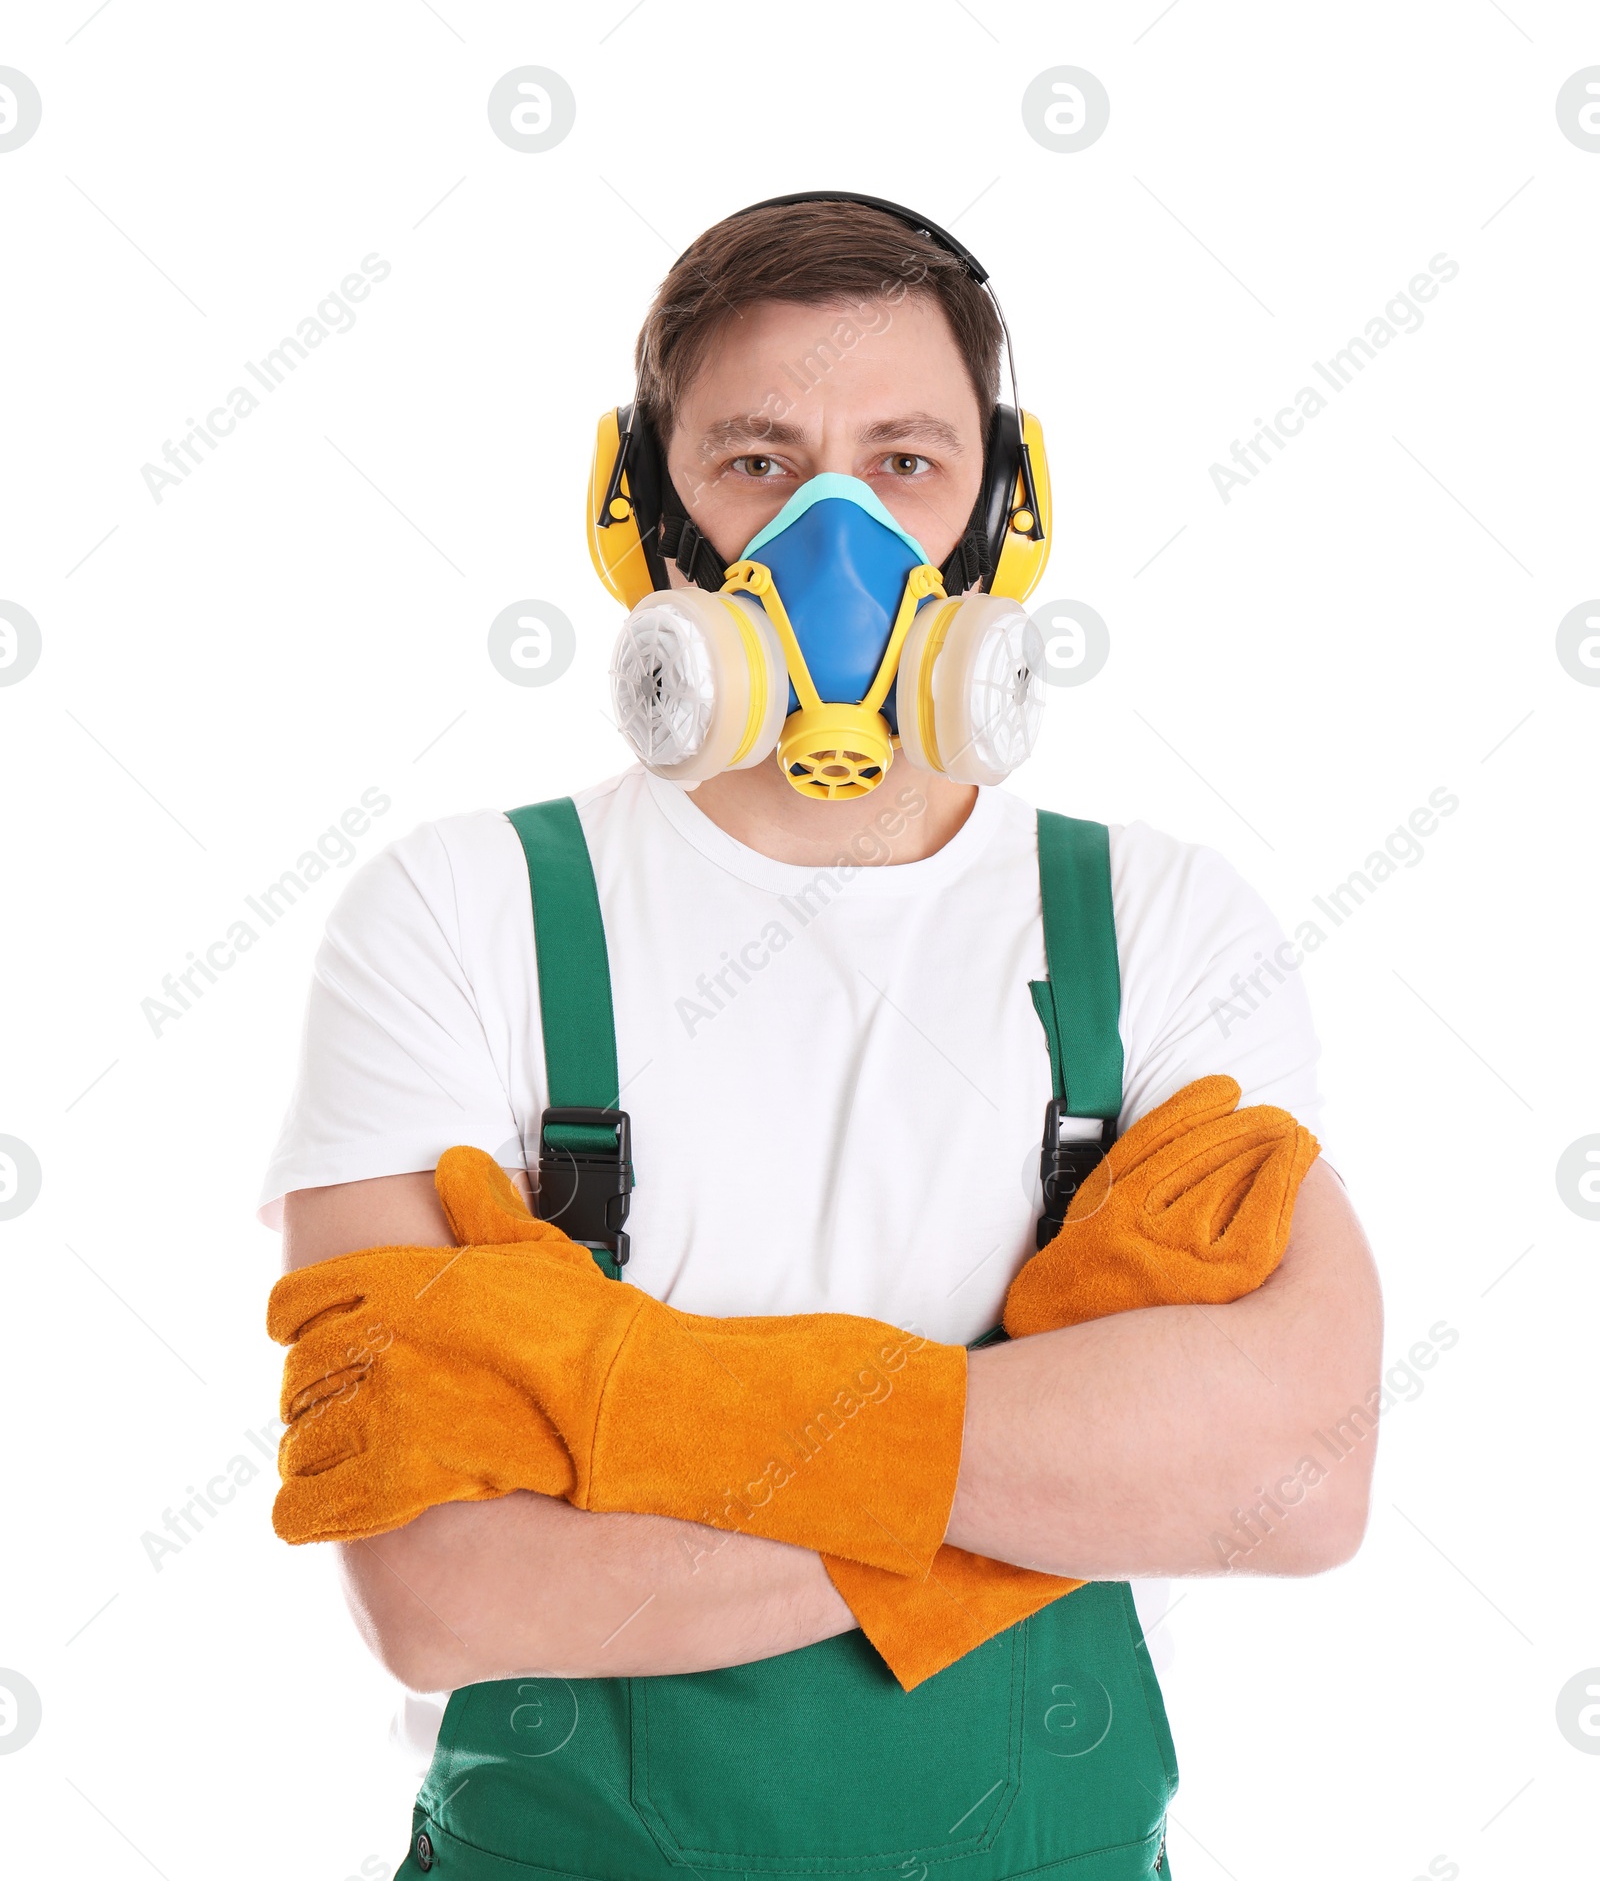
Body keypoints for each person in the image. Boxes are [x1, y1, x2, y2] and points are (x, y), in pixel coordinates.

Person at [260, 194, 1382, 1880]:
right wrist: (1065, 1465)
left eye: (907, 464)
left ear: (1005, 514)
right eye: (761, 463)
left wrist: (616, 1395)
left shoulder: (1159, 927)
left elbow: (1295, 1490)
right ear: (641, 509)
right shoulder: (456, 916)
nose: (835, 533)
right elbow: (437, 1593)